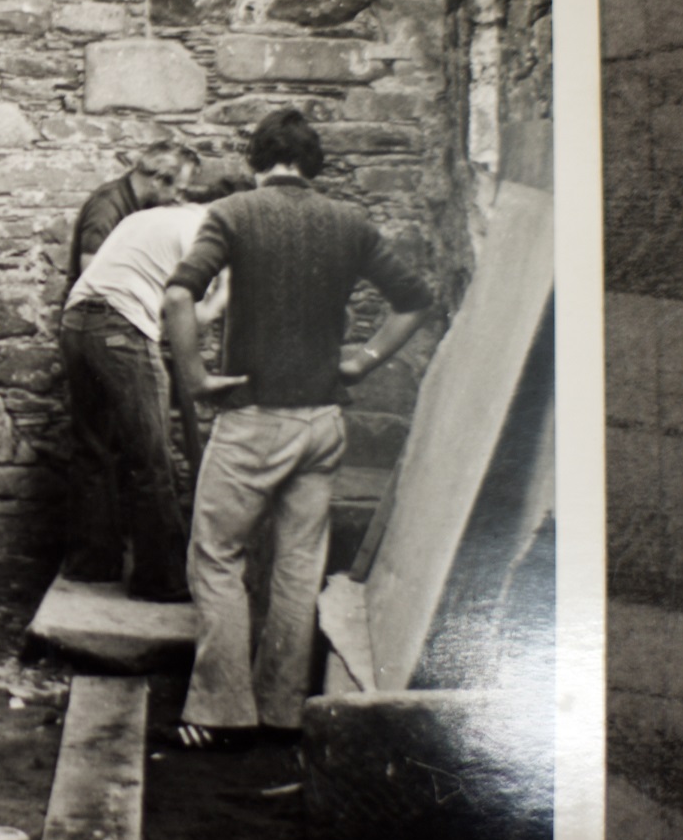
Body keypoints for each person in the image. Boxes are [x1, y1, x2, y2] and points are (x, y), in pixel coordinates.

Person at [159, 109, 433, 751]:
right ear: (312, 165)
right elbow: (416, 300)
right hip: (322, 422)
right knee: (298, 565)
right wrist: (361, 361)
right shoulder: (351, 222)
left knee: (217, 556)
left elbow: (177, 297)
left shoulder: (232, 214)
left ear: (256, 160)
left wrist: (195, 379)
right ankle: (283, 710)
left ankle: (222, 709)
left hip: (255, 421)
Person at [58, 181, 235, 598]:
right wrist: (225, 295)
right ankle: (159, 580)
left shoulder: (144, 217)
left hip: (75, 325)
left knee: (92, 449)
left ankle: (92, 563)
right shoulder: (203, 229)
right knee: (151, 459)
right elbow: (187, 317)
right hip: (122, 330)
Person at [64, 141, 200, 288]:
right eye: (178, 190)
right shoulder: (106, 206)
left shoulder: (148, 206)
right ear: (158, 180)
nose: (178, 199)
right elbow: (91, 277)